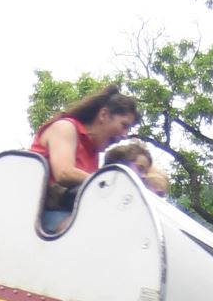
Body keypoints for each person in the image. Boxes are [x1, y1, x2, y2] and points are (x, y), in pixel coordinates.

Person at [30, 85, 138, 228]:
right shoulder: (65, 127)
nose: (125, 136)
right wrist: (109, 185)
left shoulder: (93, 154)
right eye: (124, 125)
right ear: (103, 115)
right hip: (39, 217)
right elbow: (64, 173)